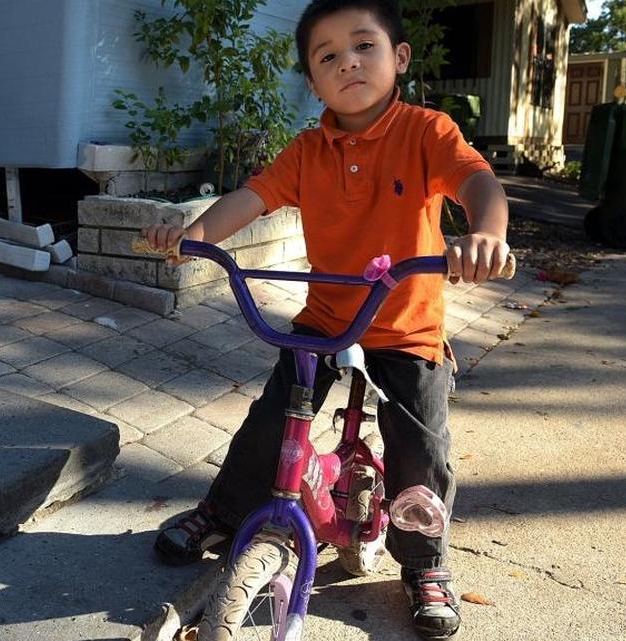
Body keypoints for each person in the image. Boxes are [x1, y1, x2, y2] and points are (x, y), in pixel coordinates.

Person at [142, 0, 509, 637]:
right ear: (313, 82)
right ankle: (225, 511)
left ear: (399, 58)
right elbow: (251, 198)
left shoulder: (427, 131)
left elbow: (479, 184)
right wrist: (192, 235)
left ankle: (424, 562)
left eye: (364, 46)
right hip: (326, 316)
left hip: (405, 326)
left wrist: (486, 235)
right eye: (328, 56)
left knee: (420, 450)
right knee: (274, 418)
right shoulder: (307, 151)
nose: (349, 63)